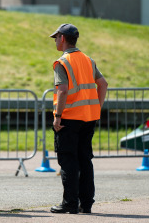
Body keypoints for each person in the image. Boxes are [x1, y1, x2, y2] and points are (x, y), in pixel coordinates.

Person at [48, 23, 108, 214]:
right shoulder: (88, 60)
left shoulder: (62, 62)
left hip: (69, 119)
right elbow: (103, 84)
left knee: (68, 160)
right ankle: (87, 203)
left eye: (56, 38)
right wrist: (96, 108)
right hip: (89, 118)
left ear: (63, 39)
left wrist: (57, 117)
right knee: (85, 160)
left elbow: (63, 91)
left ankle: (70, 203)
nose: (56, 41)